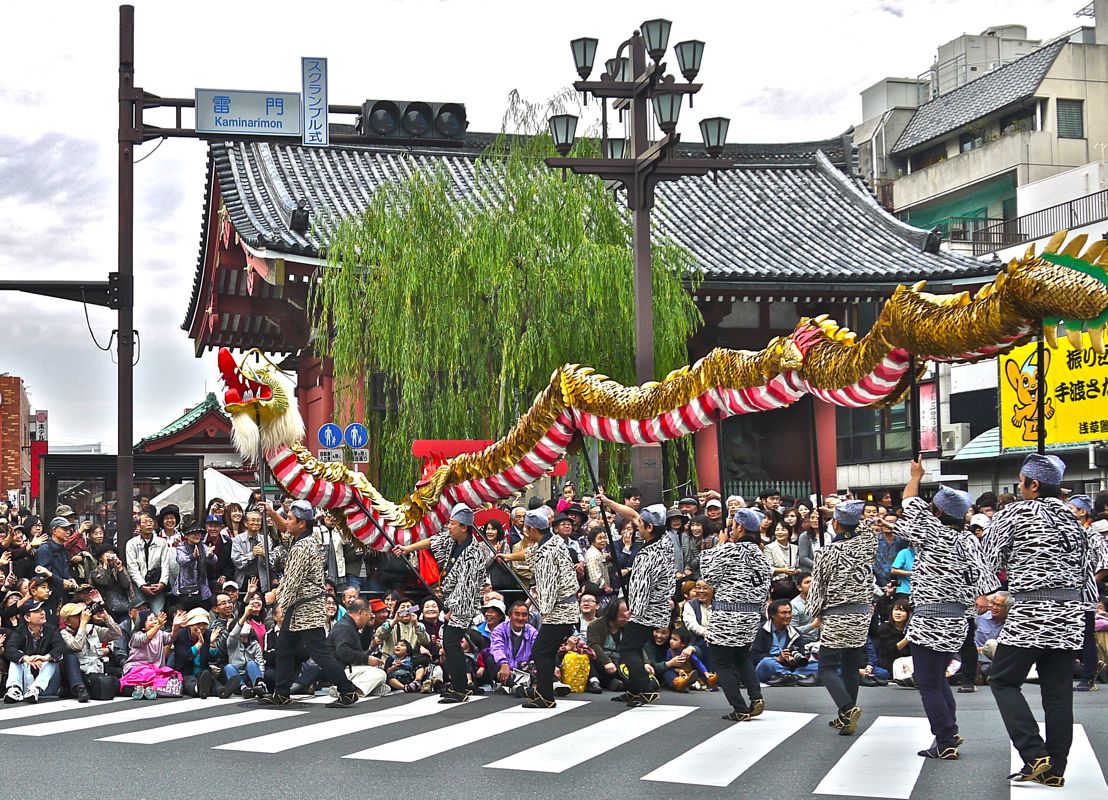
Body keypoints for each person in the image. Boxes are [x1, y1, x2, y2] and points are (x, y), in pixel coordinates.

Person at [981, 454, 1093, 786]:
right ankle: (1055, 770)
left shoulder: (1015, 513)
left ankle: (1034, 753)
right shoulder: (1075, 520)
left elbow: (989, 557)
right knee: (1058, 694)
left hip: (1030, 614)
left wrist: (994, 592)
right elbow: (1087, 573)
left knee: (1001, 679)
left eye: (1020, 481)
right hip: (1070, 616)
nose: (1018, 486)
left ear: (1034, 484)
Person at [900, 465, 1000, 759]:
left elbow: (908, 501)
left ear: (939, 513)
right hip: (957, 621)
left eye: (933, 508)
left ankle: (944, 740)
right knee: (938, 679)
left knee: (928, 683)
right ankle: (950, 731)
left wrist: (917, 477)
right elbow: (986, 579)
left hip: (928, 618)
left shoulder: (930, 530)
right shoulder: (969, 539)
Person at [260, 500, 360, 707]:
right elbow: (286, 533)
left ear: (301, 523)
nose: (286, 521)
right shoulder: (309, 537)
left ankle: (347, 690)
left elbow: (291, 581)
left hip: (305, 608)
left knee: (320, 653)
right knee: (284, 648)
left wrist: (275, 598)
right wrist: (271, 512)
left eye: (290, 518)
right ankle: (281, 692)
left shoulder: (301, 548)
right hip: (301, 607)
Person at [394, 503, 488, 704]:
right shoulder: (451, 540)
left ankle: (460, 688)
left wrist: (453, 609)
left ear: (464, 527)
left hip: (462, 604)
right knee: (451, 643)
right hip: (448, 596)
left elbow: (467, 587)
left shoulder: (473, 553)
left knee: (451, 643)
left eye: (452, 524)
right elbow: (431, 542)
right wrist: (407, 548)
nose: (449, 527)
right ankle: (459, 686)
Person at [807, 499, 877, 735]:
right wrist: (840, 515)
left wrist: (815, 613)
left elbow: (817, 588)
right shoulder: (868, 543)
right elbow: (868, 526)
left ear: (835, 524)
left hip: (837, 614)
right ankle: (845, 717)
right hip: (861, 614)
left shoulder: (827, 552)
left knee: (826, 666)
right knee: (849, 665)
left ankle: (847, 709)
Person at [496, 509, 580, 708]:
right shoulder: (553, 541)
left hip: (558, 610)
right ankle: (546, 691)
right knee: (547, 651)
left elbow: (549, 586)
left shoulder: (547, 553)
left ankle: (545, 696)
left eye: (527, 529)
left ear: (532, 529)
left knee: (540, 651)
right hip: (564, 608)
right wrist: (509, 557)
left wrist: (543, 610)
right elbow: (529, 552)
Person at [701, 507, 772, 721]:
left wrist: (718, 547)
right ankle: (756, 696)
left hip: (726, 615)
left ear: (740, 527)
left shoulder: (729, 550)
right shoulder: (761, 555)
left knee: (721, 661)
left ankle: (740, 708)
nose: (730, 530)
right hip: (751, 616)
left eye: (732, 526)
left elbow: (708, 576)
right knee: (742, 656)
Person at [618, 504, 675, 707]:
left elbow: (642, 587)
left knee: (628, 648)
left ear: (649, 527)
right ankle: (634, 690)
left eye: (640, 524)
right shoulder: (665, 540)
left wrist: (634, 611)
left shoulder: (647, 556)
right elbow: (633, 514)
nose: (637, 526)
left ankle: (645, 688)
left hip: (646, 610)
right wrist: (607, 502)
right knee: (633, 646)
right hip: (659, 606)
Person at [59, 601, 122, 702]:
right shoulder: (63, 634)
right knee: (70, 656)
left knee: (115, 682)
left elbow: (116, 634)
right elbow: (77, 646)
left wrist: (106, 617)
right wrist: (83, 624)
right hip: (79, 674)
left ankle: (73, 691)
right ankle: (79, 689)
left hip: (96, 671)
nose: (81, 617)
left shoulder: (91, 629)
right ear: (67, 621)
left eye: (81, 614)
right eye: (77, 616)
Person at [3, 601, 65, 703]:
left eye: (42, 610)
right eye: (37, 611)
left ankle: (35, 688)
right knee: (16, 656)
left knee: (52, 658)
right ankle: (14, 689)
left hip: (47, 679)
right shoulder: (20, 631)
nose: (42, 613)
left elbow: (61, 647)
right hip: (26, 675)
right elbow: (9, 649)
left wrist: (45, 657)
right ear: (27, 618)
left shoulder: (51, 629)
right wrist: (26, 658)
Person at [328, 598, 387, 698]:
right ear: (361, 612)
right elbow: (343, 652)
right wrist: (367, 660)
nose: (370, 617)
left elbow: (362, 647)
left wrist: (368, 627)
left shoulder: (349, 625)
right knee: (380, 674)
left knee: (383, 683)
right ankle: (346, 689)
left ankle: (359, 688)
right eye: (368, 614)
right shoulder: (344, 627)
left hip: (349, 668)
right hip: (341, 670)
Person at [488, 600, 538, 697]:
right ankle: (515, 687)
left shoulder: (532, 631)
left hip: (524, 667)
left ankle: (552, 683)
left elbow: (538, 649)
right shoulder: (499, 629)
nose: (520, 618)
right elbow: (497, 648)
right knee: (490, 659)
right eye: (517, 614)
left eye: (524, 615)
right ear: (510, 616)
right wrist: (503, 663)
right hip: (505, 668)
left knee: (543, 657)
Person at [125, 512, 171, 614]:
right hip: (139, 586)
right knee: (139, 616)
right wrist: (142, 585)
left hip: (157, 585)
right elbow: (132, 567)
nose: (149, 524)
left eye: (151, 522)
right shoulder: (131, 544)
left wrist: (162, 583)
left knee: (158, 615)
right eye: (145, 522)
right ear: (138, 526)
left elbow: (165, 565)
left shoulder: (162, 542)